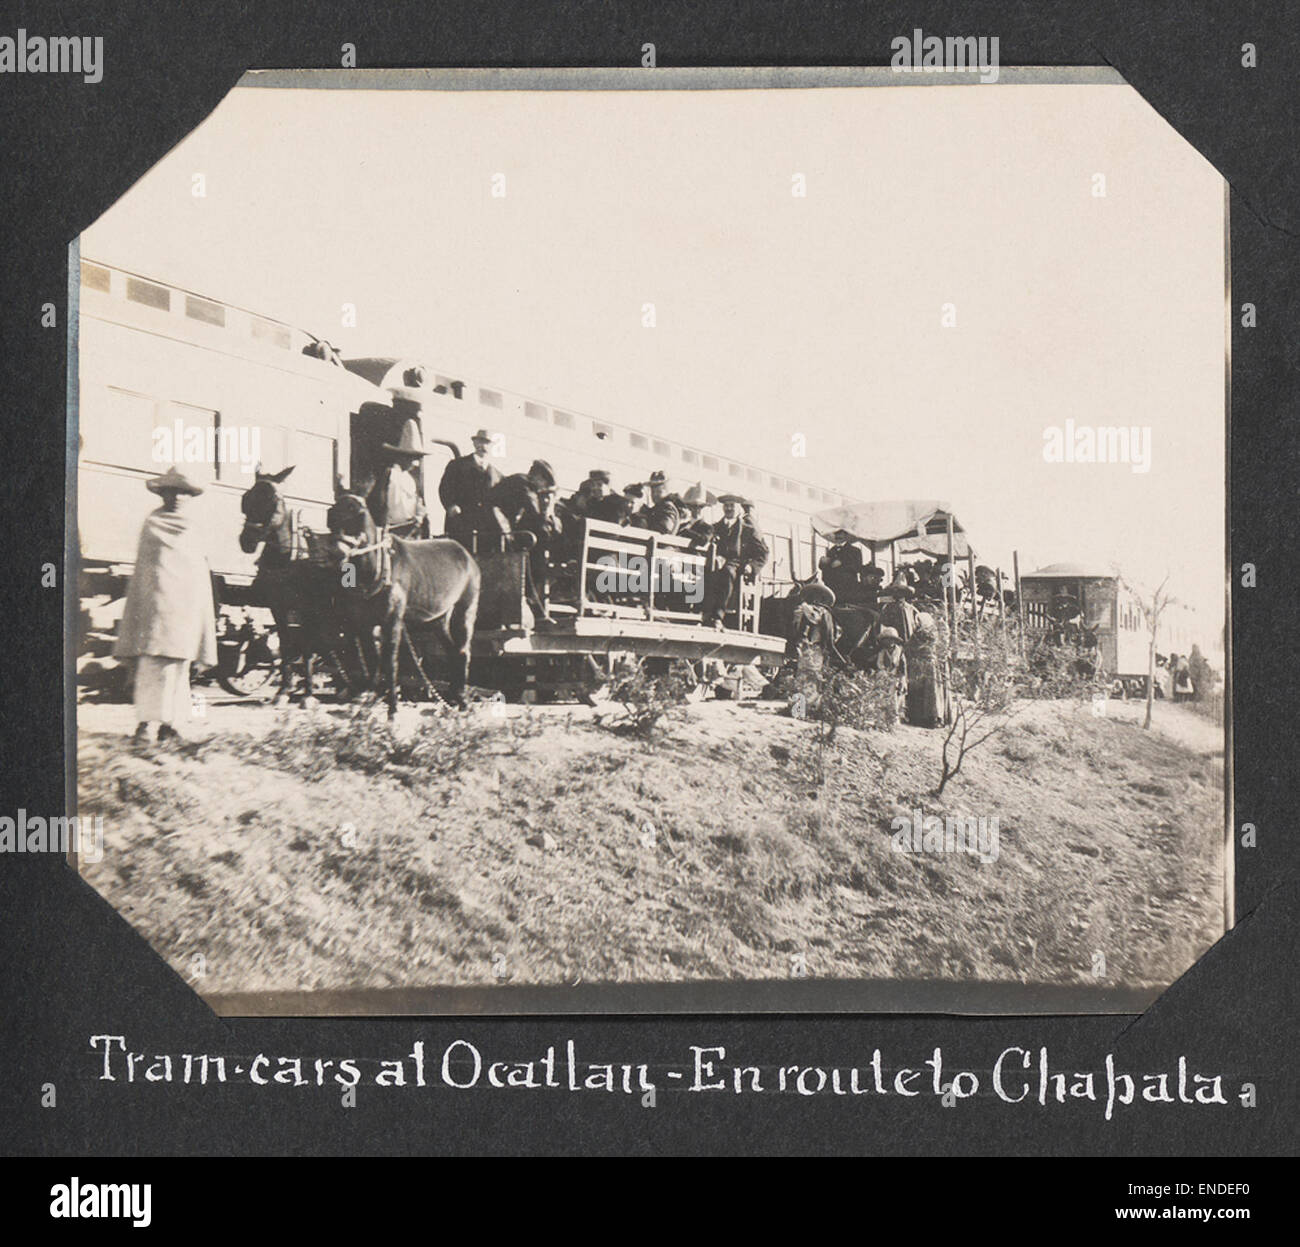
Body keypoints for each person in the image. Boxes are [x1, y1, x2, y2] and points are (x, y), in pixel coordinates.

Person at [114, 467, 217, 745]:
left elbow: (199, 574)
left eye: (184, 492)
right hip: (154, 608)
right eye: (172, 491)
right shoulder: (151, 523)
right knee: (151, 665)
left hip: (184, 610)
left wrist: (199, 613)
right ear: (163, 494)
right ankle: (145, 724)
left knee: (179, 669)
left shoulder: (195, 529)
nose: (178, 497)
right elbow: (144, 573)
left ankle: (170, 726)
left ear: (190, 496)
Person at [701, 494, 769, 629]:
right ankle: (703, 614)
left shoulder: (747, 528)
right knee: (704, 571)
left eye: (732, 505)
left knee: (727, 572)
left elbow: (763, 552)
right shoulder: (716, 527)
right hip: (717, 562)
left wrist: (752, 567)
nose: (729, 508)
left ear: (739, 508)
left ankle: (718, 617)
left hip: (737, 564)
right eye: (726, 506)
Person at [438, 427, 501, 551]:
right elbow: (444, 488)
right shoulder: (457, 465)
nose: (483, 446)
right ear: (474, 443)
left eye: (486, 443)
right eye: (480, 442)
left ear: (491, 446)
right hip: (460, 526)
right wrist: (450, 506)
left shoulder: (497, 475)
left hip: (484, 531)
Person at [367, 416, 429, 538]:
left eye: (416, 459)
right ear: (402, 457)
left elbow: (419, 503)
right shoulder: (389, 475)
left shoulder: (412, 480)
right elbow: (377, 502)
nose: (414, 463)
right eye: (411, 458)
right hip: (390, 531)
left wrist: (419, 515)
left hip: (409, 531)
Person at [819, 534, 864, 602]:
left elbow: (858, 568)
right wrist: (822, 564)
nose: (838, 536)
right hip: (832, 589)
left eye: (841, 533)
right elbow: (827, 569)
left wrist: (842, 563)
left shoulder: (855, 551)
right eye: (836, 534)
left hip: (848, 590)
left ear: (847, 536)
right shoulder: (831, 551)